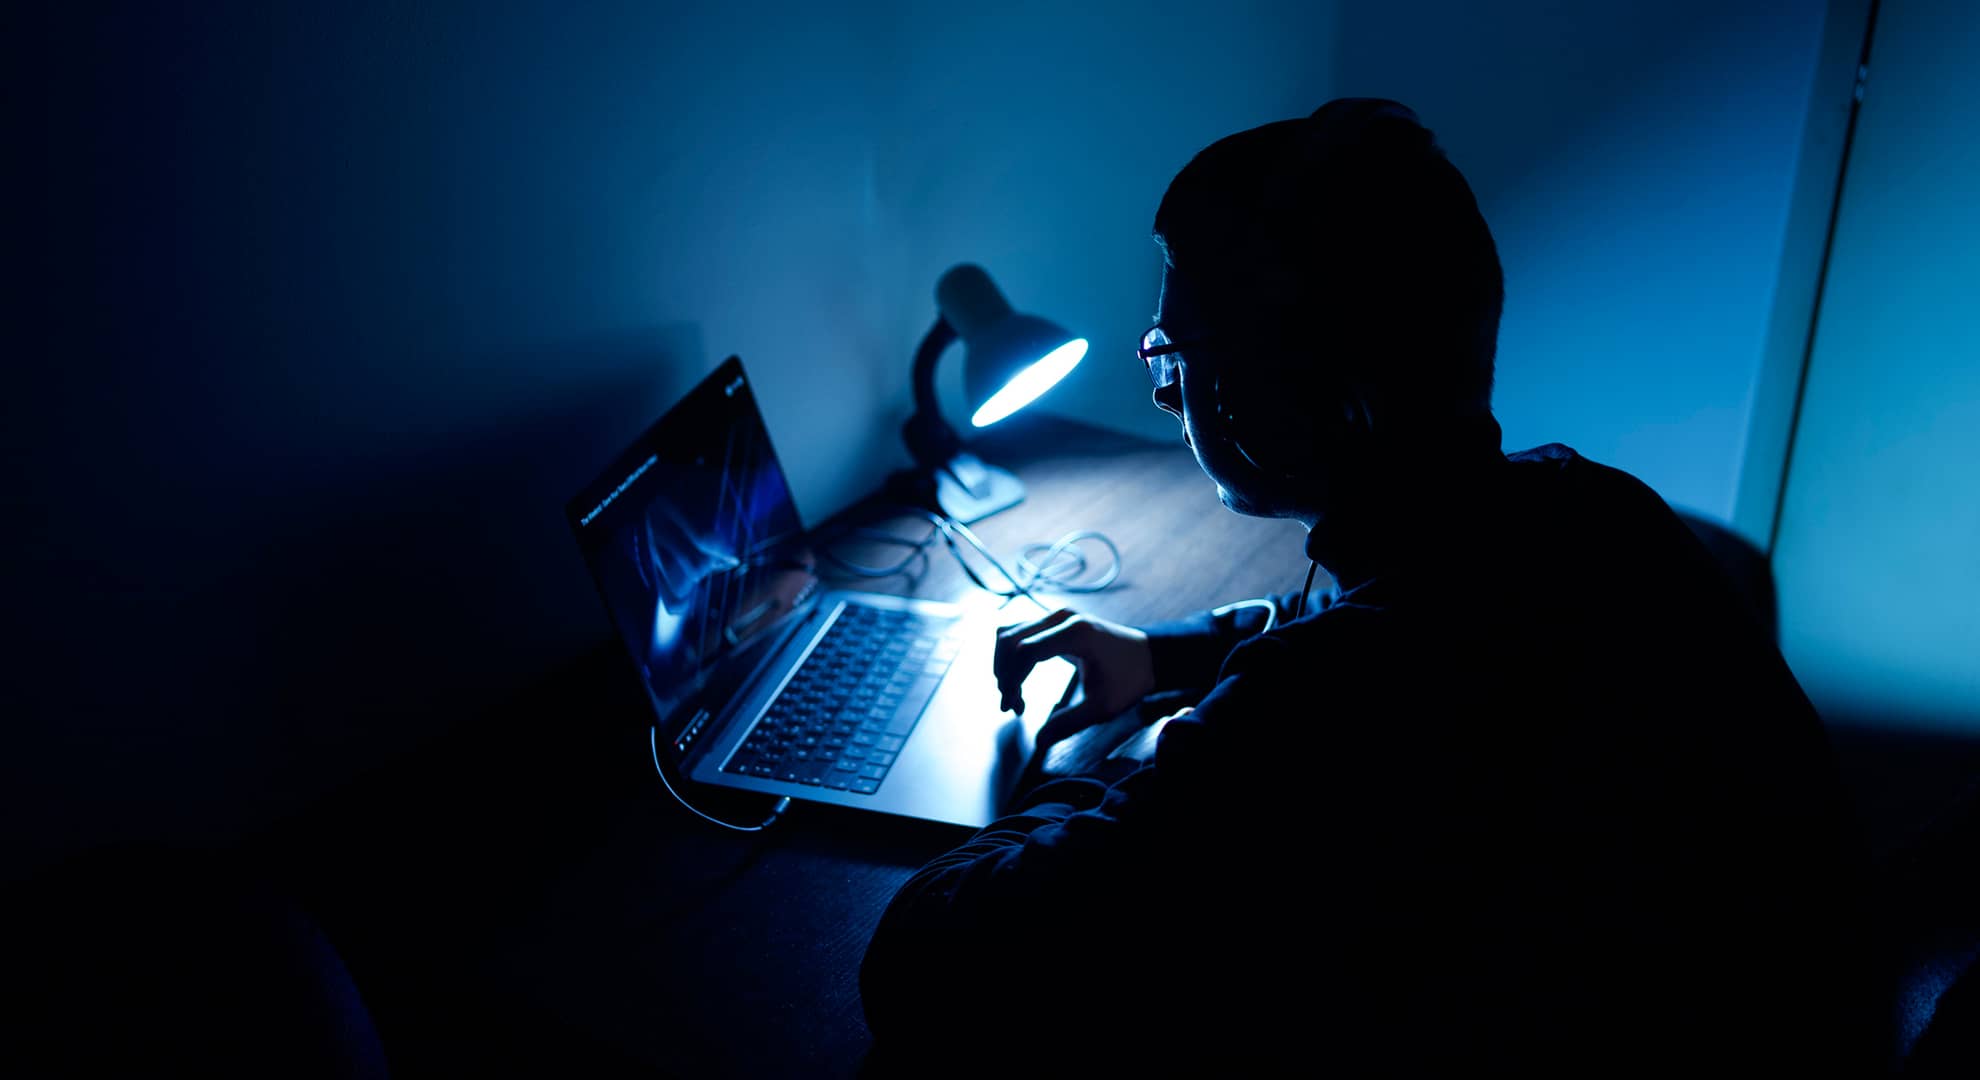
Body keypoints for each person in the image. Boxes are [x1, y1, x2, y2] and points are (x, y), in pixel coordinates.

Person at [858, 99, 1877, 1075]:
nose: (1165, 392)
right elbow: (1370, 622)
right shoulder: (1582, 506)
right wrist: (1164, 657)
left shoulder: (1343, 702)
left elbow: (923, 966)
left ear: (1322, 402)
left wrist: (1121, 758)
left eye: (1182, 356)